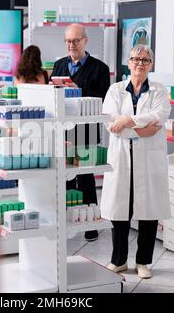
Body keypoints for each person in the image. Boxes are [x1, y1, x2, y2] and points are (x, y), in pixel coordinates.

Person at [100, 45, 171, 279]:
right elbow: (111, 123)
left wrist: (128, 120)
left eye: (145, 60)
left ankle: (143, 262)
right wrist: (142, 128)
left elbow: (159, 117)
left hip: (148, 160)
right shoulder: (115, 90)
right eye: (135, 59)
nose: (140, 63)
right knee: (120, 210)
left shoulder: (159, 91)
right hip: (121, 157)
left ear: (151, 64)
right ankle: (118, 261)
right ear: (128, 63)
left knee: (148, 212)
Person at [50, 24, 110, 242]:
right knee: (64, 177)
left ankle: (90, 224)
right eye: (67, 41)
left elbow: (104, 99)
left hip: (86, 131)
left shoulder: (100, 69)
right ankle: (67, 220)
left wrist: (78, 90)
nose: (71, 45)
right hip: (63, 131)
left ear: (85, 41)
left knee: (85, 177)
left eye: (75, 40)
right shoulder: (58, 66)